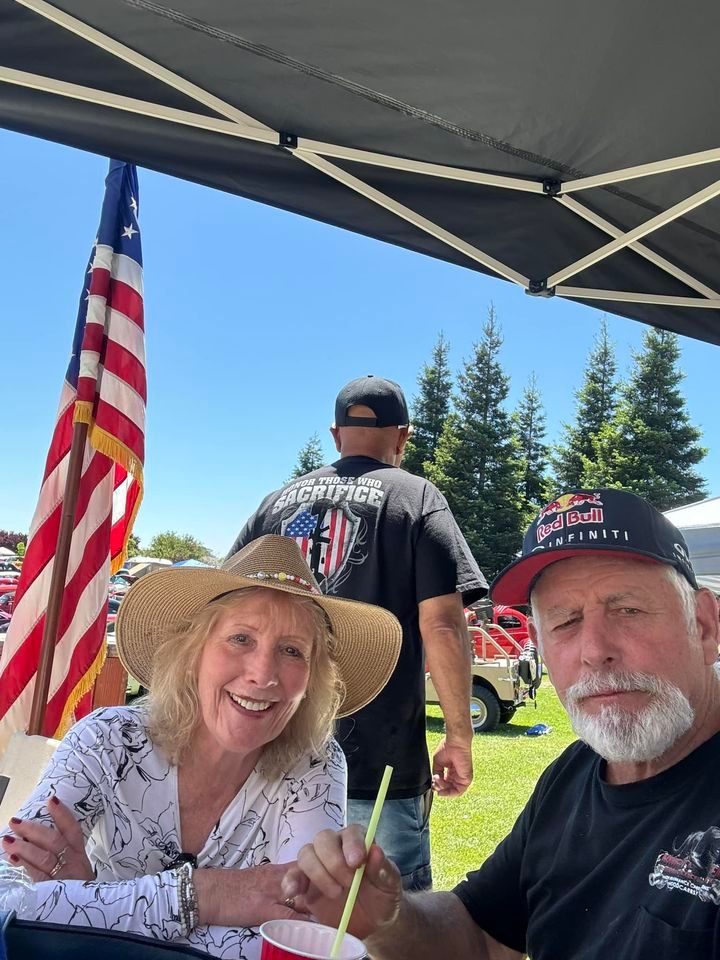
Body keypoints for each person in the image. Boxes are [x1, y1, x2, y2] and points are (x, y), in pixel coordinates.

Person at [281, 489, 720, 959]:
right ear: (540, 644)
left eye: (627, 610)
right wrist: (389, 920)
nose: (594, 649)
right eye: (565, 621)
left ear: (705, 625)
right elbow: (482, 937)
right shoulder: (574, 775)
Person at [0, 534, 401, 960]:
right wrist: (205, 895)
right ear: (194, 651)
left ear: (313, 680)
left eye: (291, 650)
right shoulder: (108, 740)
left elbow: (296, 933)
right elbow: (6, 902)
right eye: (241, 639)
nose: (263, 674)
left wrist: (91, 901)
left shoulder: (313, 765)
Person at [228, 375, 487, 890]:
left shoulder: (277, 503)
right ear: (403, 437)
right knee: (390, 917)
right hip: (381, 760)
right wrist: (459, 735)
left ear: (335, 434)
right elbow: (441, 622)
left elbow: (225, 612)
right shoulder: (416, 498)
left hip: (265, 751)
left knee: (279, 909)